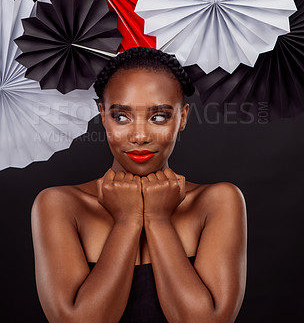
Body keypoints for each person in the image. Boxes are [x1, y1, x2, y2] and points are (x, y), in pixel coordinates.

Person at [31, 47, 247, 323]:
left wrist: (157, 219)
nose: (140, 136)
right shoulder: (60, 205)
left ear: (182, 118)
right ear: (102, 114)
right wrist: (127, 220)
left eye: (159, 116)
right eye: (121, 116)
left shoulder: (218, 201)